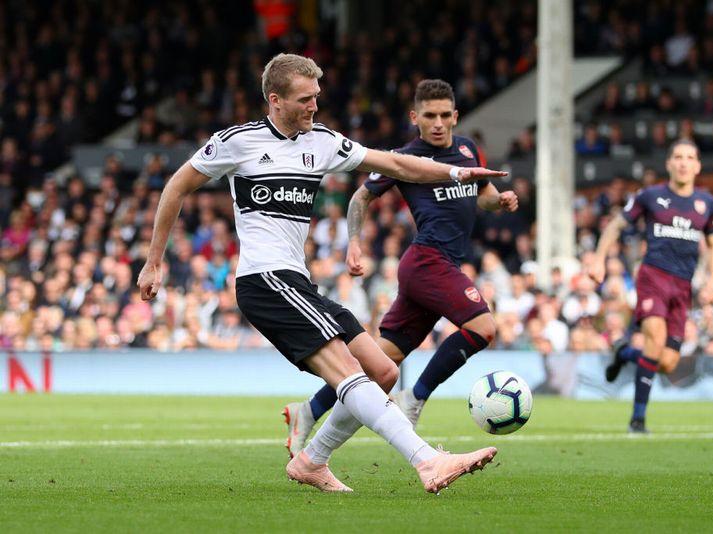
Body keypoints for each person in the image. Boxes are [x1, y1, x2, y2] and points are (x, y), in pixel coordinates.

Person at [137, 54, 506, 493]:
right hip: (264, 280)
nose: (315, 106)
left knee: (382, 371)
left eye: (317, 96)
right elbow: (177, 185)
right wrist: (154, 261)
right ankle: (428, 462)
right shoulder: (238, 141)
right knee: (348, 370)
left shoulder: (324, 141)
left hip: (299, 282)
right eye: (305, 99)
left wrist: (457, 171)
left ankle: (312, 460)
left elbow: (398, 165)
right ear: (275, 101)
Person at [283, 79, 518, 455]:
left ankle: (308, 411)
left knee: (380, 362)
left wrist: (501, 200)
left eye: (445, 115)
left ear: (456, 116)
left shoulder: (467, 149)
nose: (438, 123)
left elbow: (484, 196)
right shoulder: (405, 158)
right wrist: (355, 242)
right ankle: (416, 397)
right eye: (430, 116)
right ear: (414, 117)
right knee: (484, 328)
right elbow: (361, 196)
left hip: (437, 266)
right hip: (427, 261)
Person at [589, 139, 713, 433]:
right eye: (678, 157)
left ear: (698, 166)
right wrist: (599, 259)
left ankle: (624, 353)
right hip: (653, 277)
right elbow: (615, 225)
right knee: (654, 339)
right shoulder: (650, 196)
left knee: (668, 362)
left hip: (683, 286)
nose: (684, 163)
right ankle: (637, 420)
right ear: (669, 163)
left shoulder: (707, 203)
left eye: (690, 158)